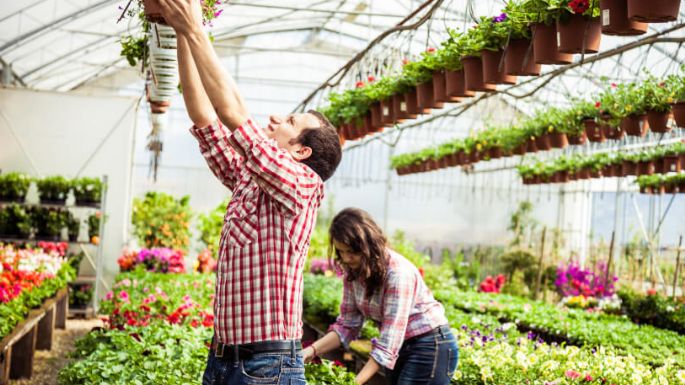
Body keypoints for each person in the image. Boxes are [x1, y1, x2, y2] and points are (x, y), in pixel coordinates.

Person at [156, 1, 342, 384]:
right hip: (225, 359)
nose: (274, 119)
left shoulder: (304, 187)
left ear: (300, 151)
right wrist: (180, 30)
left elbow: (233, 115)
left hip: (266, 367)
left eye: (289, 121)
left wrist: (195, 28)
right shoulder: (251, 179)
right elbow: (205, 118)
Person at [303, 208, 457, 385]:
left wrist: (352, 383)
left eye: (351, 251)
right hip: (401, 346)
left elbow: (388, 343)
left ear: (367, 244)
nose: (346, 258)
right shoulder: (354, 272)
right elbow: (347, 325)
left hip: (430, 346)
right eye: (341, 252)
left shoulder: (398, 274)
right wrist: (309, 352)